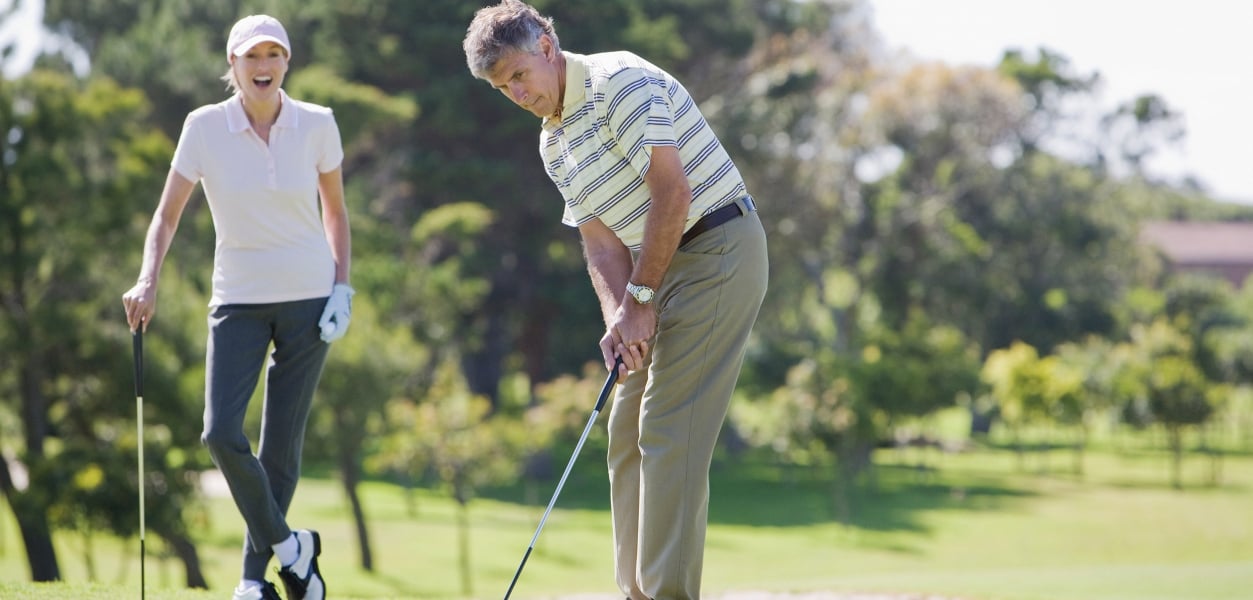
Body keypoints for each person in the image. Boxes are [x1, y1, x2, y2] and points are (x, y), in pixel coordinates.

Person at [463, 2, 769, 599]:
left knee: (667, 424)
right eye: (502, 88)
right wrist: (618, 318)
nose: (517, 94)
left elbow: (672, 193)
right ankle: (635, 592)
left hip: (717, 249)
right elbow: (600, 243)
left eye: (519, 75)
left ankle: (667, 595)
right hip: (653, 269)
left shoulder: (617, 82)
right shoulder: (554, 142)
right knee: (625, 426)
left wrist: (641, 298)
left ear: (547, 44)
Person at [121, 14, 349, 600]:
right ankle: (293, 549)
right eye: (251, 56)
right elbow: (166, 215)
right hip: (238, 300)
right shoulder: (203, 128)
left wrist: (342, 286)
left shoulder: (318, 124)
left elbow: (336, 214)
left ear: (287, 63)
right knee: (220, 433)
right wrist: (148, 279)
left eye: (274, 54)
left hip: (308, 299)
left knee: (281, 447)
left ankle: (253, 582)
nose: (263, 65)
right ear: (232, 66)